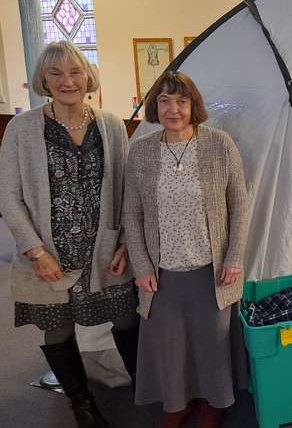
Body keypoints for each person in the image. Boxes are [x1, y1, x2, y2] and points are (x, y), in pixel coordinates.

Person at [0, 41, 138, 428]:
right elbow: (8, 196)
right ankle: (82, 404)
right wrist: (34, 251)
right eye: (56, 73)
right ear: (43, 80)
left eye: (75, 72)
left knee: (126, 319)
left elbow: (126, 189)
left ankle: (143, 387)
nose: (67, 81)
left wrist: (126, 241)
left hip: (104, 251)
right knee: (58, 328)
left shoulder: (111, 125)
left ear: (87, 77)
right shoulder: (21, 128)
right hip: (49, 256)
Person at [122, 70, 251, 428]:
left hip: (211, 268)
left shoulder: (219, 144)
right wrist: (143, 267)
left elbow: (240, 203)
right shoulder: (141, 151)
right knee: (171, 346)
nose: (173, 109)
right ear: (154, 106)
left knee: (212, 341)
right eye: (164, 101)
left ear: (194, 105)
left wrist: (235, 257)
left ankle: (214, 402)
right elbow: (131, 214)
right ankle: (177, 405)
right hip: (162, 272)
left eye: (182, 100)